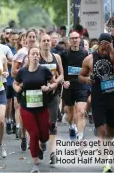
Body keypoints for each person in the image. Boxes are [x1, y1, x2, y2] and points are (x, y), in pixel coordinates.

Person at [79, 33, 114, 172]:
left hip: (112, 97)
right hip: (98, 98)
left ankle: (108, 156)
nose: (105, 47)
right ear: (98, 44)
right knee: (103, 132)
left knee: (110, 132)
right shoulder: (89, 59)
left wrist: (111, 51)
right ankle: (106, 164)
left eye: (108, 43)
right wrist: (87, 80)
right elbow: (80, 76)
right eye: (103, 44)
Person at [13, 44, 56, 173]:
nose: (36, 56)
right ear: (29, 56)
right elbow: (15, 83)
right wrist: (18, 88)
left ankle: (43, 143)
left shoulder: (44, 70)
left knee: (44, 135)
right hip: (26, 107)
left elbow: (54, 83)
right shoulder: (22, 71)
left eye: (38, 54)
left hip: (42, 107)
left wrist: (48, 88)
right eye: (33, 54)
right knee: (34, 133)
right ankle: (35, 163)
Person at [39, 34, 64, 166]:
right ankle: (42, 142)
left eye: (48, 40)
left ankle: (53, 153)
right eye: (44, 41)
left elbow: (61, 75)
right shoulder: (36, 58)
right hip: (39, 94)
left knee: (53, 125)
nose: (47, 42)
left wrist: (54, 84)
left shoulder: (57, 57)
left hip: (53, 93)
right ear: (40, 43)